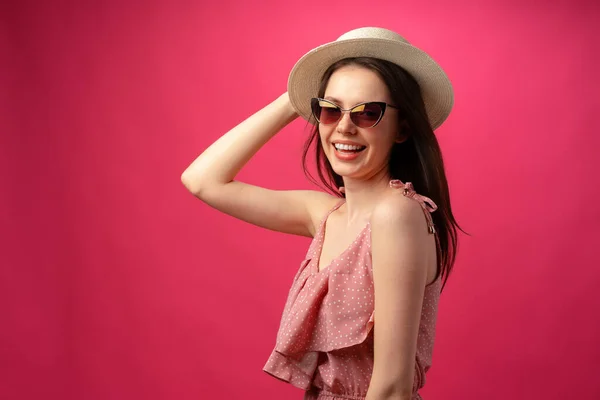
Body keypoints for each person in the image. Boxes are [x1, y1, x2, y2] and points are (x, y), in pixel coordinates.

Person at [181, 27, 465, 400]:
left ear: (402, 128)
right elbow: (203, 180)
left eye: (368, 113)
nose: (343, 126)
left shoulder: (397, 215)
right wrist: (295, 98)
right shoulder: (326, 214)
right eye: (330, 110)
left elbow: (393, 386)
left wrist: (319, 95)